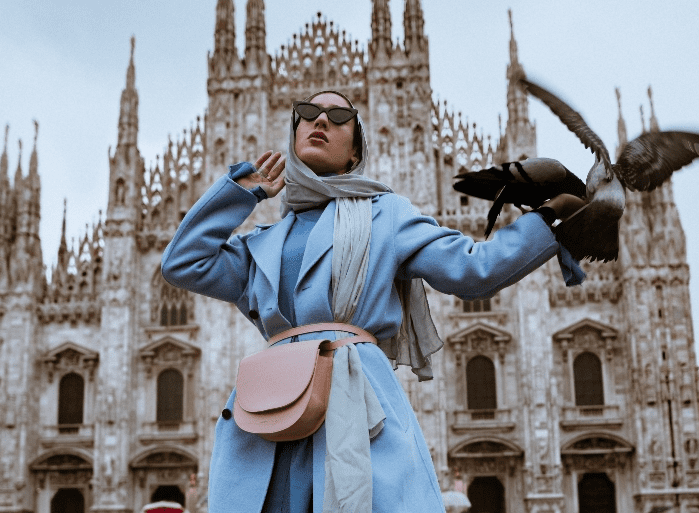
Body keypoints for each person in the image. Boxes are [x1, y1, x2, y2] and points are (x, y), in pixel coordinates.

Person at [161, 90, 586, 513]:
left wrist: (553, 219)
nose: (320, 121)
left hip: (354, 402)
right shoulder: (260, 244)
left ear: (355, 152)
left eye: (338, 117)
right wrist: (240, 193)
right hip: (273, 409)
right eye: (308, 113)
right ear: (293, 136)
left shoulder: (386, 215)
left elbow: (475, 269)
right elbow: (183, 263)